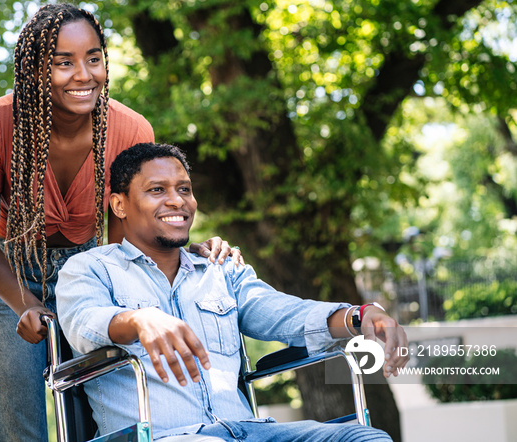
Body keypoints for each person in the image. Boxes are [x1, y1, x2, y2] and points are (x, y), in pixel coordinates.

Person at [0, 2, 241, 442]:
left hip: (92, 272)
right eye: (63, 62)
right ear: (36, 69)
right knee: (16, 417)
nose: (84, 74)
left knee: (107, 406)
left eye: (93, 58)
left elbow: (128, 242)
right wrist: (23, 303)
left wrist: (187, 251)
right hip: (7, 273)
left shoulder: (130, 129)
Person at [56, 142, 410, 441]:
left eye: (184, 189)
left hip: (248, 431)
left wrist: (360, 315)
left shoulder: (219, 268)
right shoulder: (90, 269)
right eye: (157, 190)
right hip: (168, 436)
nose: (177, 201)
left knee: (366, 438)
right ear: (120, 205)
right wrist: (139, 320)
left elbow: (284, 313)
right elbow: (83, 322)